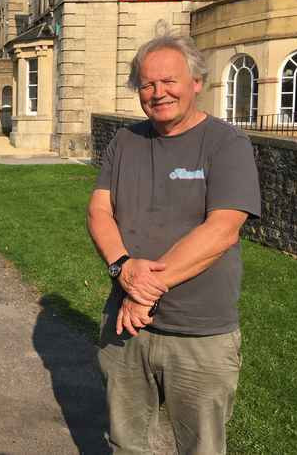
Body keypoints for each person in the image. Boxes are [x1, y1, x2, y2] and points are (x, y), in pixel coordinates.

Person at [86, 26, 261, 454]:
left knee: (201, 447)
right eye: (147, 84)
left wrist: (144, 292)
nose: (158, 92)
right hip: (126, 329)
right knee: (125, 443)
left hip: (199, 333)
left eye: (169, 81)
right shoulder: (125, 142)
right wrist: (122, 267)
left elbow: (222, 229)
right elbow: (99, 211)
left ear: (196, 83)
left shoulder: (227, 144)